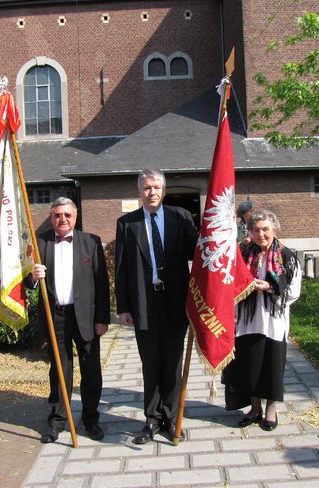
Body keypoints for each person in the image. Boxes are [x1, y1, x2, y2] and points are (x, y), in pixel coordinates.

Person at [115, 168, 199, 444]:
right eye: (146, 188)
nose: (151, 192)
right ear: (139, 192)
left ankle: (171, 417)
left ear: (164, 190)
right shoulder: (127, 223)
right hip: (144, 301)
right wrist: (124, 307)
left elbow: (197, 252)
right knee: (150, 361)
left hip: (176, 300)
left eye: (156, 187)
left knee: (173, 361)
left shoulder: (181, 217)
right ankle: (151, 419)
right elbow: (121, 269)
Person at [32, 197, 110, 443]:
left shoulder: (91, 242)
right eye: (57, 215)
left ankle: (90, 419)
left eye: (67, 214)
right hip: (56, 316)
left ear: (75, 217)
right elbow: (25, 282)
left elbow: (101, 284)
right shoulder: (39, 244)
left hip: (86, 317)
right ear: (51, 217)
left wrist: (103, 319)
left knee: (91, 371)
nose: (62, 219)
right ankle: (57, 421)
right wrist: (33, 276)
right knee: (59, 370)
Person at [222, 210, 301, 431]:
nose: (261, 234)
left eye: (265, 229)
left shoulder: (287, 256)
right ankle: (254, 408)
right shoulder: (244, 253)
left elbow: (294, 291)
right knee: (250, 364)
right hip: (247, 321)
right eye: (256, 230)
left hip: (273, 322)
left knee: (271, 366)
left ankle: (271, 411)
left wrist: (270, 287)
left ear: (274, 230)